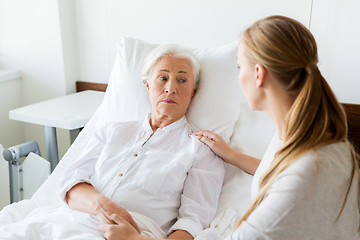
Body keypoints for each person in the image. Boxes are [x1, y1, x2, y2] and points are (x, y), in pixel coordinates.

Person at [104, 15, 360, 240]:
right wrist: (232, 156)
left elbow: (290, 186)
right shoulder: (302, 137)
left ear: (258, 74)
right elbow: (277, 171)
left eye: (239, 67)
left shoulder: (309, 170)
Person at [0, 45, 225, 240]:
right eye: (163, 77)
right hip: (66, 218)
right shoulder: (113, 129)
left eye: (182, 80)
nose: (170, 88)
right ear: (147, 85)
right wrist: (101, 205)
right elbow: (69, 180)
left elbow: (192, 223)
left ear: (193, 92)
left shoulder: (201, 150)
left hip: (129, 232)